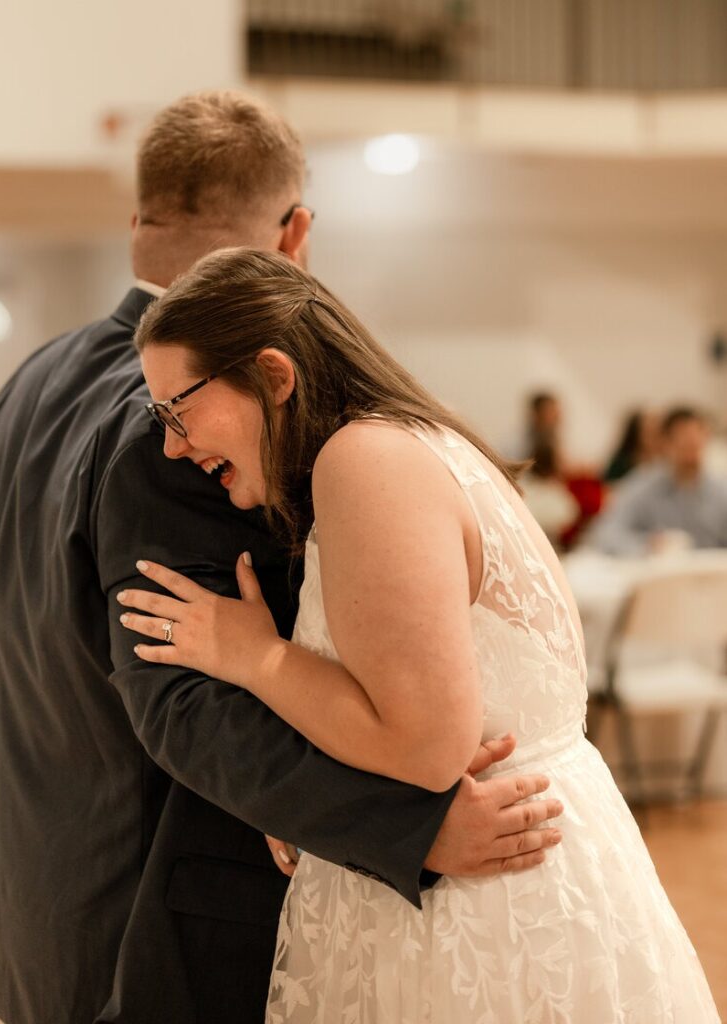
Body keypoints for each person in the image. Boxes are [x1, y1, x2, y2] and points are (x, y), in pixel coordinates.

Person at [0, 91, 561, 1024]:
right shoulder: (172, 419)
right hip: (158, 911)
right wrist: (407, 826)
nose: (180, 439)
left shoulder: (35, 379)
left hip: (42, 900)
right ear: (296, 232)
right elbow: (181, 699)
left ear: (137, 222)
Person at [120, 248, 719, 1022]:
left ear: (273, 375)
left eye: (177, 409)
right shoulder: (411, 442)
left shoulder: (363, 460)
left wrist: (254, 656)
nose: (171, 444)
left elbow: (425, 746)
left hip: (483, 911)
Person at [593, 406, 727, 556]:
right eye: (684, 444)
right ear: (666, 444)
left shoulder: (720, 489)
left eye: (696, 444)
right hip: (660, 566)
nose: (691, 454)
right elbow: (607, 533)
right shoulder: (642, 485)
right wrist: (647, 544)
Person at [602, 408, 662, 484]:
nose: (654, 438)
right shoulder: (621, 464)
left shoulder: (663, 464)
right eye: (649, 433)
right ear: (637, 434)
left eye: (657, 433)